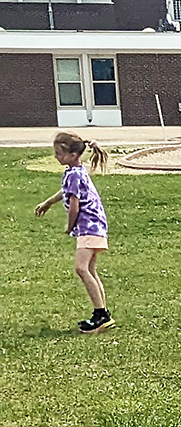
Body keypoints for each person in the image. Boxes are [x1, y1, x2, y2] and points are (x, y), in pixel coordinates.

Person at [34, 131, 113, 333]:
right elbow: (67, 192)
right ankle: (103, 314)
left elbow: (75, 206)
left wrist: (70, 227)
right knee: (90, 270)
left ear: (73, 155)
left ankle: (100, 314)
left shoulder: (75, 174)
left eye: (59, 153)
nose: (56, 157)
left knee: (81, 268)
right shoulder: (77, 171)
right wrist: (48, 203)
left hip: (88, 227)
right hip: (96, 226)